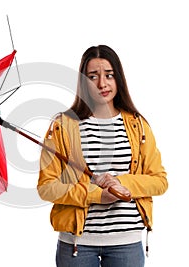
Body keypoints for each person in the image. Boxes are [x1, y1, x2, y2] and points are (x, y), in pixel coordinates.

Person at [37, 45, 168, 267]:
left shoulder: (138, 125)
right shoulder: (62, 126)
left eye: (109, 75)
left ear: (118, 78)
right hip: (77, 245)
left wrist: (120, 183)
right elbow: (47, 187)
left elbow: (160, 181)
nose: (102, 84)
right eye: (93, 76)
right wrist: (96, 194)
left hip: (126, 243)